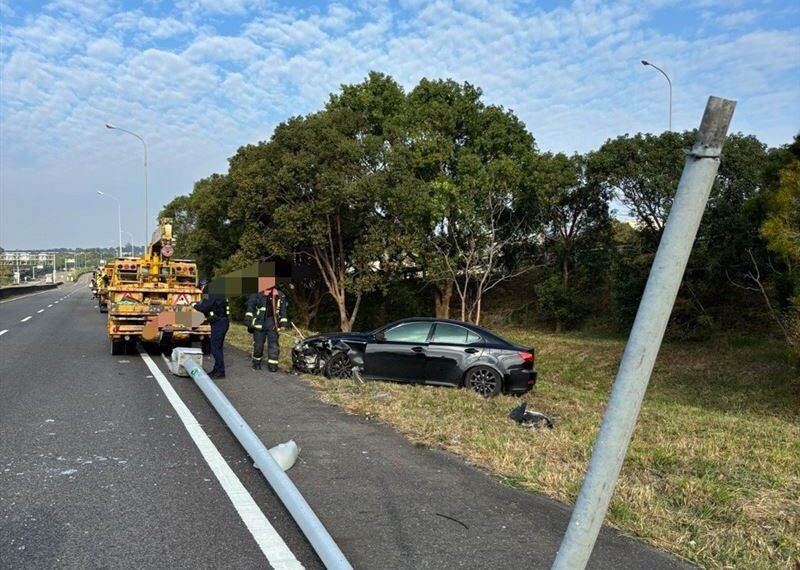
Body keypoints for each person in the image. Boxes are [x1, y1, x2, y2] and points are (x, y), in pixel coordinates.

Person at [244, 276, 288, 372]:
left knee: (273, 345)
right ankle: (256, 362)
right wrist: (248, 320)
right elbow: (250, 308)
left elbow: (283, 310)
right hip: (259, 325)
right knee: (258, 345)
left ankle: (273, 365)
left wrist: (283, 323)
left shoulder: (279, 295)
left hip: (273, 324)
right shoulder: (256, 294)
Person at [193, 278, 230, 378]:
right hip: (221, 322)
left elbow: (204, 306)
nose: (201, 290)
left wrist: (194, 305)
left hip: (219, 323)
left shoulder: (209, 291)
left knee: (215, 348)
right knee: (218, 347)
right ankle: (216, 369)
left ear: (202, 285)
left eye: (200, 287)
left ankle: (220, 372)